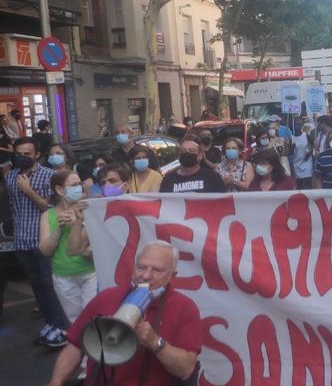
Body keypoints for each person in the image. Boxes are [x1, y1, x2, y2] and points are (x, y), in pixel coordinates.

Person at [47, 241, 202, 386]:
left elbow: (186, 370)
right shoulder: (107, 297)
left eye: (158, 270)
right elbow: (75, 346)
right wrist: (55, 382)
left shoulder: (185, 308)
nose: (146, 276)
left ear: (172, 276)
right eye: (141, 267)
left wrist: (155, 342)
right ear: (134, 268)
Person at [6, 137, 69, 346]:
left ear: (37, 155)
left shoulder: (49, 176)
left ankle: (62, 327)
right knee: (37, 287)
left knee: (50, 286)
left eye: (27, 154)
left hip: (41, 240)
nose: (23, 157)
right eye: (19, 154)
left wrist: (29, 191)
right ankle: (51, 322)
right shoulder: (11, 176)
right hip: (21, 241)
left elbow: (50, 209)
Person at [38, 170, 95, 325]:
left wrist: (80, 221)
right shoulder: (48, 215)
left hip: (90, 273)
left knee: (93, 316)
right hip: (63, 276)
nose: (79, 188)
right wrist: (60, 228)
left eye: (80, 184)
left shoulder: (89, 208)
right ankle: (84, 349)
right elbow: (45, 250)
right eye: (74, 185)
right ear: (60, 190)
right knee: (76, 322)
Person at [159, 139, 225, 193]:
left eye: (191, 150)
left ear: (200, 156)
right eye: (183, 151)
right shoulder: (168, 180)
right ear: (179, 155)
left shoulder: (213, 178)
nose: (187, 153)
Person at [291, 118, 314, 189]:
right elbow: (290, 153)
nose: (297, 126)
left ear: (301, 126)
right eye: (295, 125)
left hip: (306, 162)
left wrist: (309, 153)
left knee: (308, 182)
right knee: (299, 183)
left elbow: (314, 146)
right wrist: (292, 146)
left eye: (298, 125)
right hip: (297, 163)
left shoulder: (306, 136)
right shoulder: (291, 138)